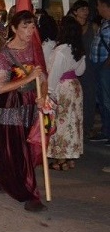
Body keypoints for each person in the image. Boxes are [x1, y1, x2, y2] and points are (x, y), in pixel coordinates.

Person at [0, 10, 48, 212]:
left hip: (31, 104)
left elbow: (44, 78)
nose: (30, 31)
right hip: (10, 106)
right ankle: (30, 193)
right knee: (14, 148)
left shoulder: (35, 49)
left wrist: (43, 96)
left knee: (22, 148)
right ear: (13, 28)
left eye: (32, 26)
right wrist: (29, 79)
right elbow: (1, 87)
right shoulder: (4, 54)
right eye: (25, 26)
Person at [46, 16, 85, 170]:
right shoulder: (79, 49)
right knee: (73, 122)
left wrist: (48, 93)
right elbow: (81, 70)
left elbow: (55, 73)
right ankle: (70, 157)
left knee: (60, 121)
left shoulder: (60, 50)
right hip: (75, 86)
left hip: (62, 86)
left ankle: (60, 159)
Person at [68, 0, 98, 140]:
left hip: (89, 65)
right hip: (72, 65)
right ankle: (76, 126)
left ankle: (87, 127)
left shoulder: (93, 26)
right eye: (82, 9)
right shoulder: (71, 26)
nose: (85, 11)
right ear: (75, 11)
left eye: (87, 8)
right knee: (74, 97)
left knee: (89, 96)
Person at [88, 0, 110, 145]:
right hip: (100, 67)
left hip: (105, 68)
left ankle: (107, 132)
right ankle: (105, 131)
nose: (97, 8)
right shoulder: (104, 23)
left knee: (106, 101)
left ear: (105, 6)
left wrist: (105, 66)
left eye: (99, 4)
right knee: (102, 101)